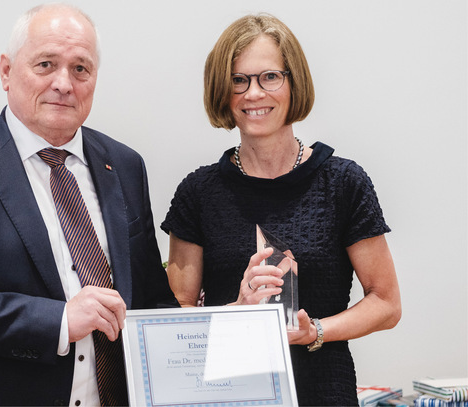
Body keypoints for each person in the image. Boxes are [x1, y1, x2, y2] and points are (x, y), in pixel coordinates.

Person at [0, 4, 177, 406]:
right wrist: (56, 322)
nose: (64, 83)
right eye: (46, 64)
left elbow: (148, 299)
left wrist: (237, 322)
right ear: (6, 71)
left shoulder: (125, 165)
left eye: (81, 68)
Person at [161, 13, 401, 406]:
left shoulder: (343, 183)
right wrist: (234, 310)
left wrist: (316, 331)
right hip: (227, 392)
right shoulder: (198, 193)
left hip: (323, 388)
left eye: (269, 77)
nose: (253, 94)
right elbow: (178, 316)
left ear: (294, 83)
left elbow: (387, 304)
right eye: (238, 80)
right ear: (222, 91)